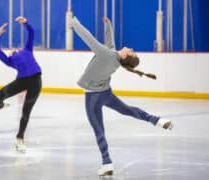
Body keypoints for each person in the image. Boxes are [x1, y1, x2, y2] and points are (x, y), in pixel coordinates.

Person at [70, 16, 173, 176]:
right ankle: (157, 120)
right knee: (129, 110)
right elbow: (110, 45)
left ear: (126, 57)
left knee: (98, 129)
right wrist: (108, 26)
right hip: (105, 93)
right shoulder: (113, 57)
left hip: (93, 96)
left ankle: (107, 163)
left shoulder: (107, 55)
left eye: (131, 51)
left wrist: (74, 22)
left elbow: (88, 37)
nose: (130, 48)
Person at [0, 16, 42, 153]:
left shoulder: (28, 49)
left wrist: (25, 23)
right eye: (11, 50)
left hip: (36, 82)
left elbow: (31, 33)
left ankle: (19, 139)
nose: (13, 49)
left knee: (26, 112)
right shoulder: (10, 60)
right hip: (21, 81)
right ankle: (0, 104)